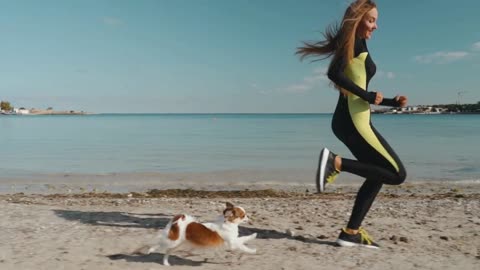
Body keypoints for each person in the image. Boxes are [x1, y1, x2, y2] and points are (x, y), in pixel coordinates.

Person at [296, 0, 407, 249]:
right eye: (371, 20)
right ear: (357, 20)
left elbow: (358, 87)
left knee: (376, 173)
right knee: (397, 174)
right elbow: (334, 74)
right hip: (353, 121)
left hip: (353, 119)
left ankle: (350, 232)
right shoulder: (352, 43)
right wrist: (368, 96)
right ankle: (335, 162)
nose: (375, 26)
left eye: (375, 20)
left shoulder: (360, 43)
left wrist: (390, 102)